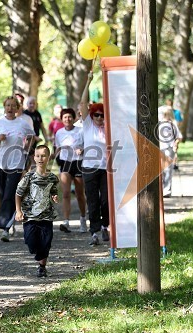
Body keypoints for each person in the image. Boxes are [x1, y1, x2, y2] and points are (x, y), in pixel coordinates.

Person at [0, 96, 35, 242]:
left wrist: (26, 148)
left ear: (18, 108)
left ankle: (4, 228)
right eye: (8, 106)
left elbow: (32, 136)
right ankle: (10, 219)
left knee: (8, 194)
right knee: (2, 195)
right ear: (4, 107)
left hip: (16, 164)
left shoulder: (22, 123)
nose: (10, 108)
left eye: (13, 106)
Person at [15, 145, 59, 277]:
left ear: (48, 157)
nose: (41, 158)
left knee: (46, 242)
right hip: (30, 216)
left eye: (43, 155)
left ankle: (42, 266)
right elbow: (18, 194)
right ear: (34, 158)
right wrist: (18, 211)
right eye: (38, 155)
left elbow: (53, 192)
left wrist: (54, 197)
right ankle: (38, 255)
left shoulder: (52, 178)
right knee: (31, 242)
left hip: (46, 216)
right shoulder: (28, 177)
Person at [79, 72, 110, 246]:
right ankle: (94, 231)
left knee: (105, 200)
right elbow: (83, 103)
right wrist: (88, 81)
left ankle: (105, 225)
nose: (99, 117)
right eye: (96, 114)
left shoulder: (109, 127)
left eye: (102, 115)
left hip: (106, 167)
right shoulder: (88, 125)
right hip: (89, 167)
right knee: (92, 200)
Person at [54, 108, 87, 233]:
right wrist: (53, 156)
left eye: (69, 117)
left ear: (73, 118)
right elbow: (57, 147)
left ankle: (83, 219)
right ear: (61, 119)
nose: (67, 119)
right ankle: (66, 222)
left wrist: (82, 149)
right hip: (65, 163)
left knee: (79, 194)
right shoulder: (59, 133)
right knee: (66, 193)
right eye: (65, 117)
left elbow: (87, 145)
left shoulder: (80, 131)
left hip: (78, 162)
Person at [158, 107, 182, 197]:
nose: (165, 115)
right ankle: (161, 190)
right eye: (164, 114)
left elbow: (179, 137)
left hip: (169, 148)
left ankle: (167, 190)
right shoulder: (159, 124)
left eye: (166, 114)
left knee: (168, 169)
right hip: (160, 148)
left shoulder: (173, 124)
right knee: (161, 170)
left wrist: (176, 144)